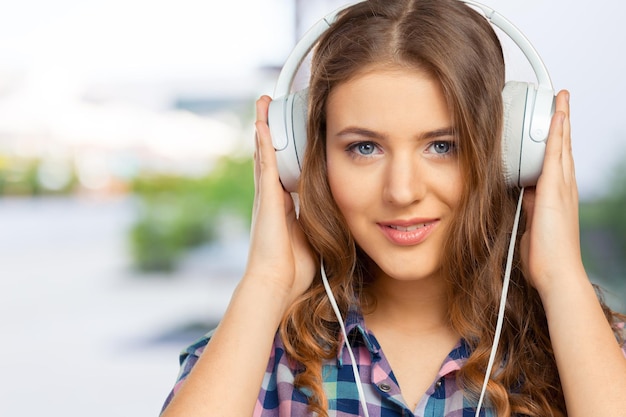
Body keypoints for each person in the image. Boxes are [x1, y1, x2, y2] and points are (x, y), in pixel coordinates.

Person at [160, 0, 626, 416]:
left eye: (442, 146)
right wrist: (264, 283)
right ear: (304, 159)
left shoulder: (597, 351)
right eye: (365, 148)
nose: (402, 192)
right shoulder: (250, 358)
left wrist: (562, 278)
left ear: (510, 154)